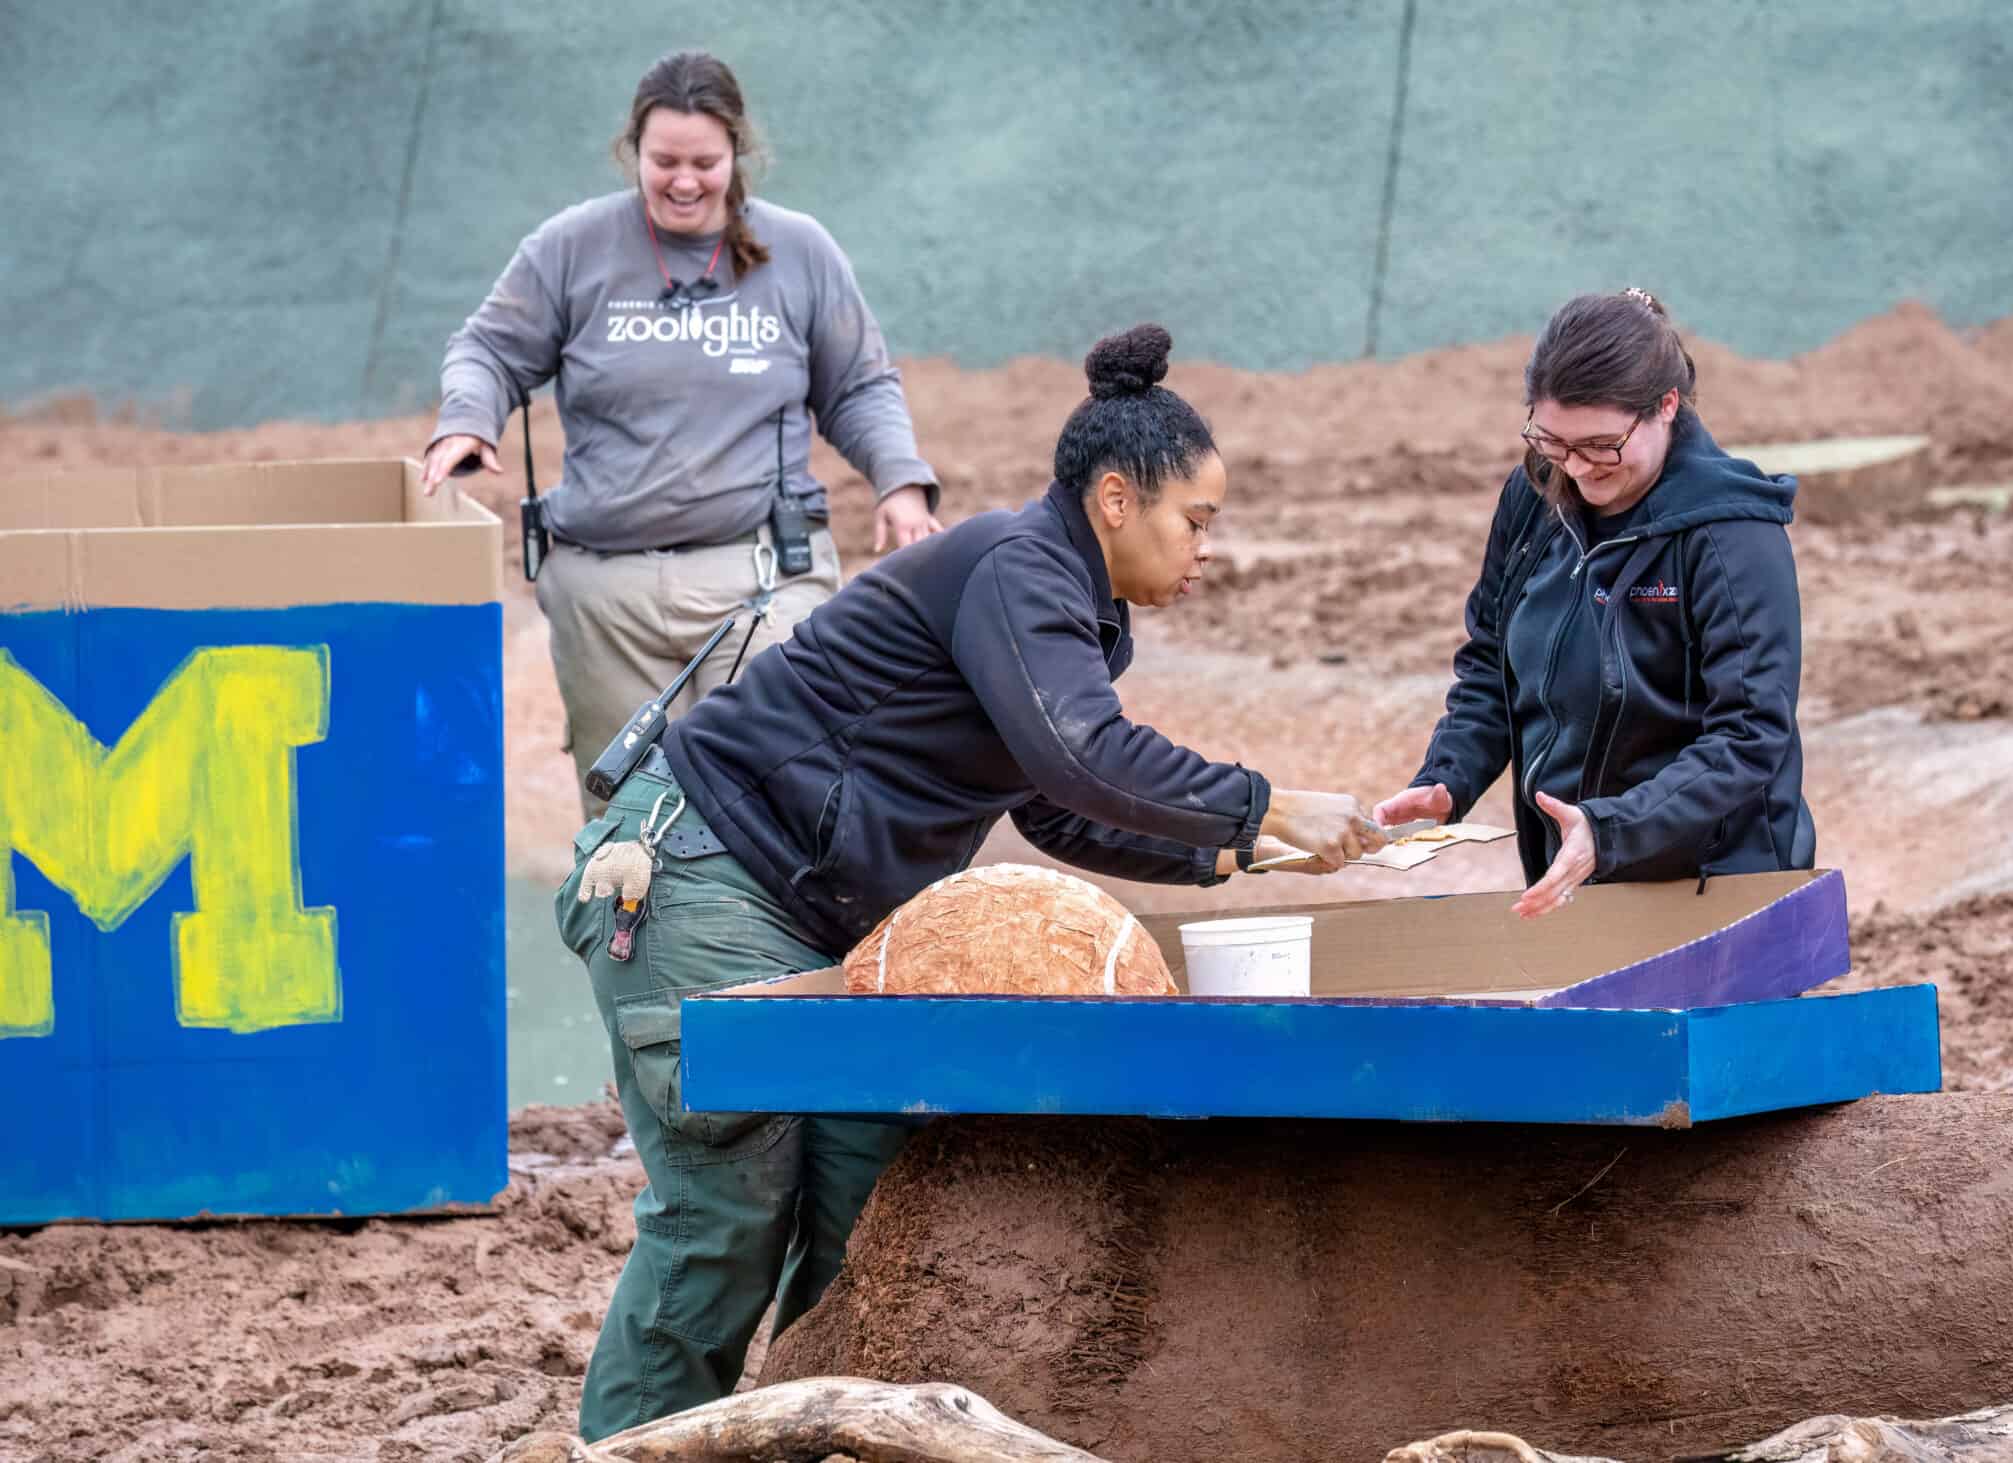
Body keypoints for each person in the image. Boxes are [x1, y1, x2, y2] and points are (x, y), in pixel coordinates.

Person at [556, 323, 1384, 1439]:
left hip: (821, 920)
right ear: (1112, 499)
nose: (1204, 550)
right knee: (724, 1216)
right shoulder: (1016, 566)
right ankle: (618, 1450)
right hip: (705, 870)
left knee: (866, 1206)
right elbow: (1077, 755)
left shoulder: (1075, 613)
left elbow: (1049, 802)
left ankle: (811, 1438)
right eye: (1196, 518)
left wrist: (1236, 850)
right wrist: (1266, 801)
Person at [421, 49, 941, 816]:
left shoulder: (799, 252)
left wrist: (899, 481)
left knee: (773, 806)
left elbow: (859, 384)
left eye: (706, 160)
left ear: (739, 154)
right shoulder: (572, 247)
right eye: (664, 160)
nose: (685, 180)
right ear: (634, 152)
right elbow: (490, 348)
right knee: (626, 833)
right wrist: (466, 420)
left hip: (760, 580)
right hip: (606, 598)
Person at [1374, 287, 1815, 919]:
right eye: (1553, 442)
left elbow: (1749, 734)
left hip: (1715, 885)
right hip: (1577, 867)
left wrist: (1611, 830)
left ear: (1666, 406)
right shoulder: (1533, 495)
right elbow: (1494, 661)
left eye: (1602, 446)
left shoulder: (1733, 536)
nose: (1578, 469)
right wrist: (1451, 775)